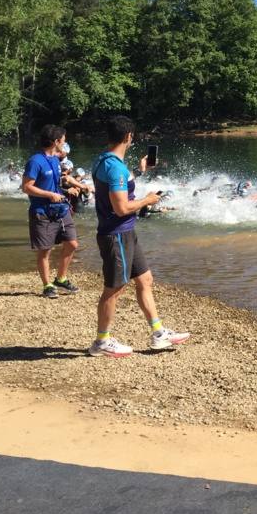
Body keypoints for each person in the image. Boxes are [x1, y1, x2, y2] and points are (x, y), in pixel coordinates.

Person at [89, 115, 190, 357]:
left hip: (125, 233)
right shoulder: (114, 168)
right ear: (128, 137)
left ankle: (158, 333)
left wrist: (140, 171)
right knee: (113, 289)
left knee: (145, 280)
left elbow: (120, 184)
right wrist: (148, 200)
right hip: (116, 236)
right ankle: (101, 342)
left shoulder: (103, 160)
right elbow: (121, 208)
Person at [22, 125, 79, 299]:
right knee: (45, 250)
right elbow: (26, 187)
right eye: (63, 140)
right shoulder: (35, 161)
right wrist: (50, 194)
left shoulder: (55, 160)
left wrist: (67, 190)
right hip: (42, 211)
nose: (65, 143)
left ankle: (61, 278)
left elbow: (54, 184)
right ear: (56, 142)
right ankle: (47, 285)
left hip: (60, 210)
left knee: (72, 244)